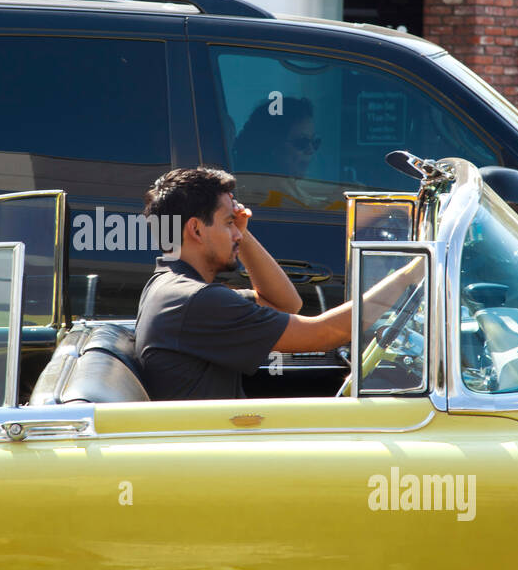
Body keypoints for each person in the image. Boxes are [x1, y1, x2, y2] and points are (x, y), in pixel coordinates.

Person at [135, 167, 422, 401]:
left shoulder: (171, 287)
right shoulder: (195, 301)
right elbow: (324, 334)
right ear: (196, 229)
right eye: (228, 223)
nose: (237, 233)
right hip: (212, 457)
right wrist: (409, 275)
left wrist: (241, 235)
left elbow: (285, 304)